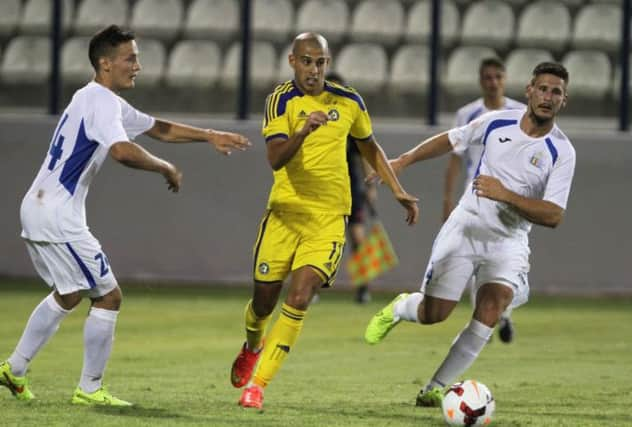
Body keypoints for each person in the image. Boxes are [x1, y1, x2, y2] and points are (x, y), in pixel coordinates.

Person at [0, 25, 250, 406]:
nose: (138, 65)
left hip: (37, 207)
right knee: (109, 297)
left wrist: (209, 134)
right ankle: (89, 389)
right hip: (57, 214)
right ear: (105, 63)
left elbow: (157, 128)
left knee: (68, 294)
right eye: (130, 58)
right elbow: (122, 151)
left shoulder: (95, 99)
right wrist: (164, 167)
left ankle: (13, 370)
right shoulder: (101, 102)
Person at [364, 62, 575, 407]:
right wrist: (403, 159)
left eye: (556, 92)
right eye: (543, 88)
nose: (548, 97)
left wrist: (504, 193)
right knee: (435, 314)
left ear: (564, 100)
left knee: (492, 305)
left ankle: (435, 386)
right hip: (466, 227)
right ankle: (401, 308)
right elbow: (451, 140)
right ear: (529, 91)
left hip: (509, 241)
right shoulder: (497, 122)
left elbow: (553, 215)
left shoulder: (562, 151)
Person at [231, 32, 419, 410]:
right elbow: (275, 158)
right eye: (306, 61)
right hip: (284, 216)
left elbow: (370, 146)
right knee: (263, 303)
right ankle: (253, 344)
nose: (314, 69)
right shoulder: (280, 100)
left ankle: (258, 386)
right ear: (292, 61)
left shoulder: (349, 102)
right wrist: (303, 130)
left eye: (320, 62)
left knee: (300, 297)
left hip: (329, 219)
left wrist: (395, 187)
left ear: (327, 64)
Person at [443, 57, 525, 343]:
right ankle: (484, 318)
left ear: (505, 79)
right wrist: (447, 201)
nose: (493, 82)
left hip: (509, 202)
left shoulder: (520, 112)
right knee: (474, 258)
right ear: (481, 80)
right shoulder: (467, 114)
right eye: (488, 77)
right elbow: (455, 160)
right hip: (474, 197)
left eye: (497, 77)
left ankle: (504, 315)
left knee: (507, 258)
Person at [326, 71, 377, 304]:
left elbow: (365, 153)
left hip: (350, 187)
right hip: (324, 188)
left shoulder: (350, 117)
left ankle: (363, 287)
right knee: (321, 240)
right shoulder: (314, 117)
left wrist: (370, 185)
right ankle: (313, 289)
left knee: (357, 238)